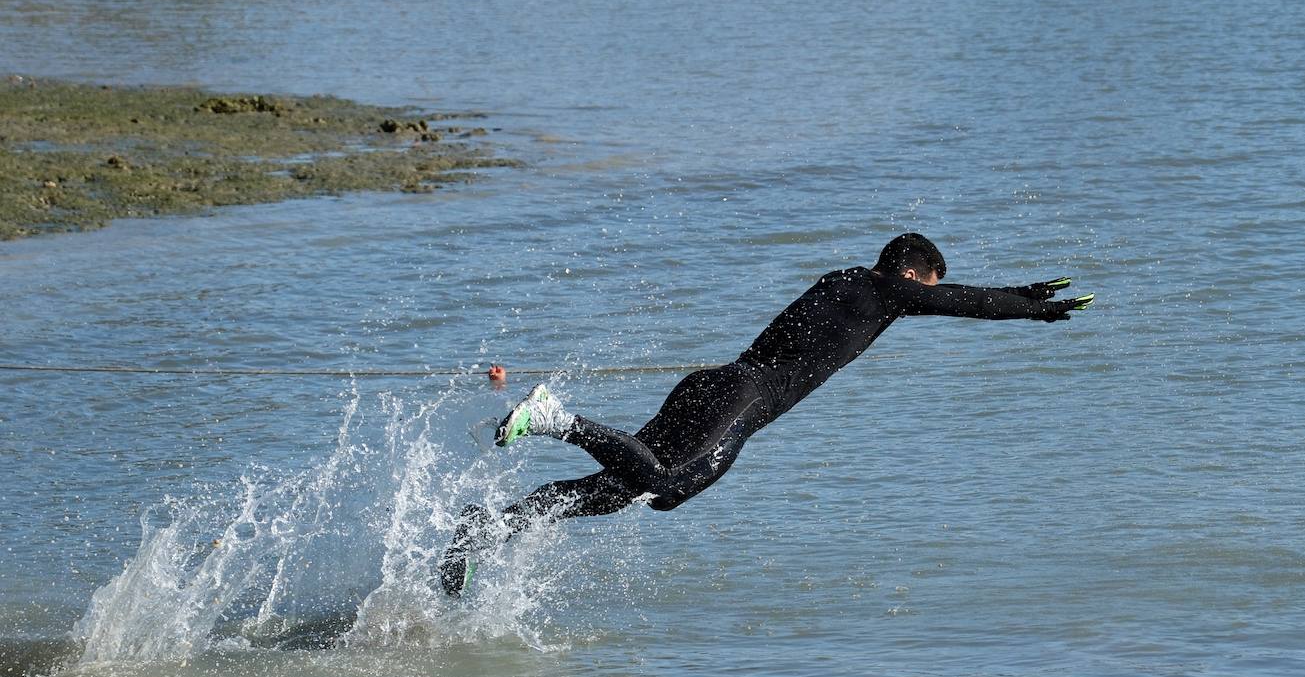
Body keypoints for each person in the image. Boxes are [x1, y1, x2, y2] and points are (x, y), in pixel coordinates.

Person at [439, 232, 1093, 596]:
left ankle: (489, 530)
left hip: (715, 383)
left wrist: (1018, 295)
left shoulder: (842, 280)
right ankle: (558, 420)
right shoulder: (885, 292)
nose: (919, 299)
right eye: (923, 287)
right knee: (663, 488)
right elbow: (961, 303)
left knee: (618, 491)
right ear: (912, 276)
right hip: (741, 400)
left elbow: (955, 297)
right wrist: (1031, 306)